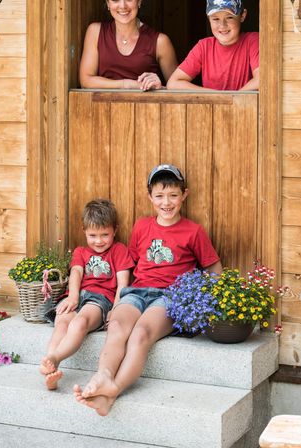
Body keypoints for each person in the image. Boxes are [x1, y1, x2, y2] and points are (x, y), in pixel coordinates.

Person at [73, 164, 222, 415]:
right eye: (160, 196)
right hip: (137, 292)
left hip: (169, 297)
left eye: (173, 195)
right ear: (150, 196)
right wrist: (118, 297)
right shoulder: (142, 226)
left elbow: (213, 266)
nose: (167, 202)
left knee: (140, 332)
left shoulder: (193, 231)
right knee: (118, 327)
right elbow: (130, 265)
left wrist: (205, 298)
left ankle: (113, 390)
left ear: (184, 195)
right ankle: (103, 375)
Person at [39, 199, 134, 390]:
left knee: (79, 322)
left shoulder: (119, 250)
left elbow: (123, 283)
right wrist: (72, 297)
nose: (99, 241)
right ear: (84, 231)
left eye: (104, 235)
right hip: (78, 295)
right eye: (93, 235)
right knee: (62, 321)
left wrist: (116, 308)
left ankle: (56, 358)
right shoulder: (81, 252)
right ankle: (49, 368)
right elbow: (76, 273)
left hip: (100, 300)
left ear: (114, 230)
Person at [79, 0, 178, 91]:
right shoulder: (95, 32)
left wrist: (159, 86)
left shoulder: (160, 41)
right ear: (107, 1)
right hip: (101, 109)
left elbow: (177, 90)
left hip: (146, 109)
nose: (122, 6)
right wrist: (126, 84)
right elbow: (86, 80)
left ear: (139, 0)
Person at [167, 0, 259, 91]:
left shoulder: (253, 41)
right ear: (208, 19)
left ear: (242, 15)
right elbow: (173, 83)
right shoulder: (204, 46)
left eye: (229, 17)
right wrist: (217, 97)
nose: (222, 25)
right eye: (216, 19)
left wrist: (232, 100)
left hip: (244, 107)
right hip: (213, 106)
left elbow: (261, 80)